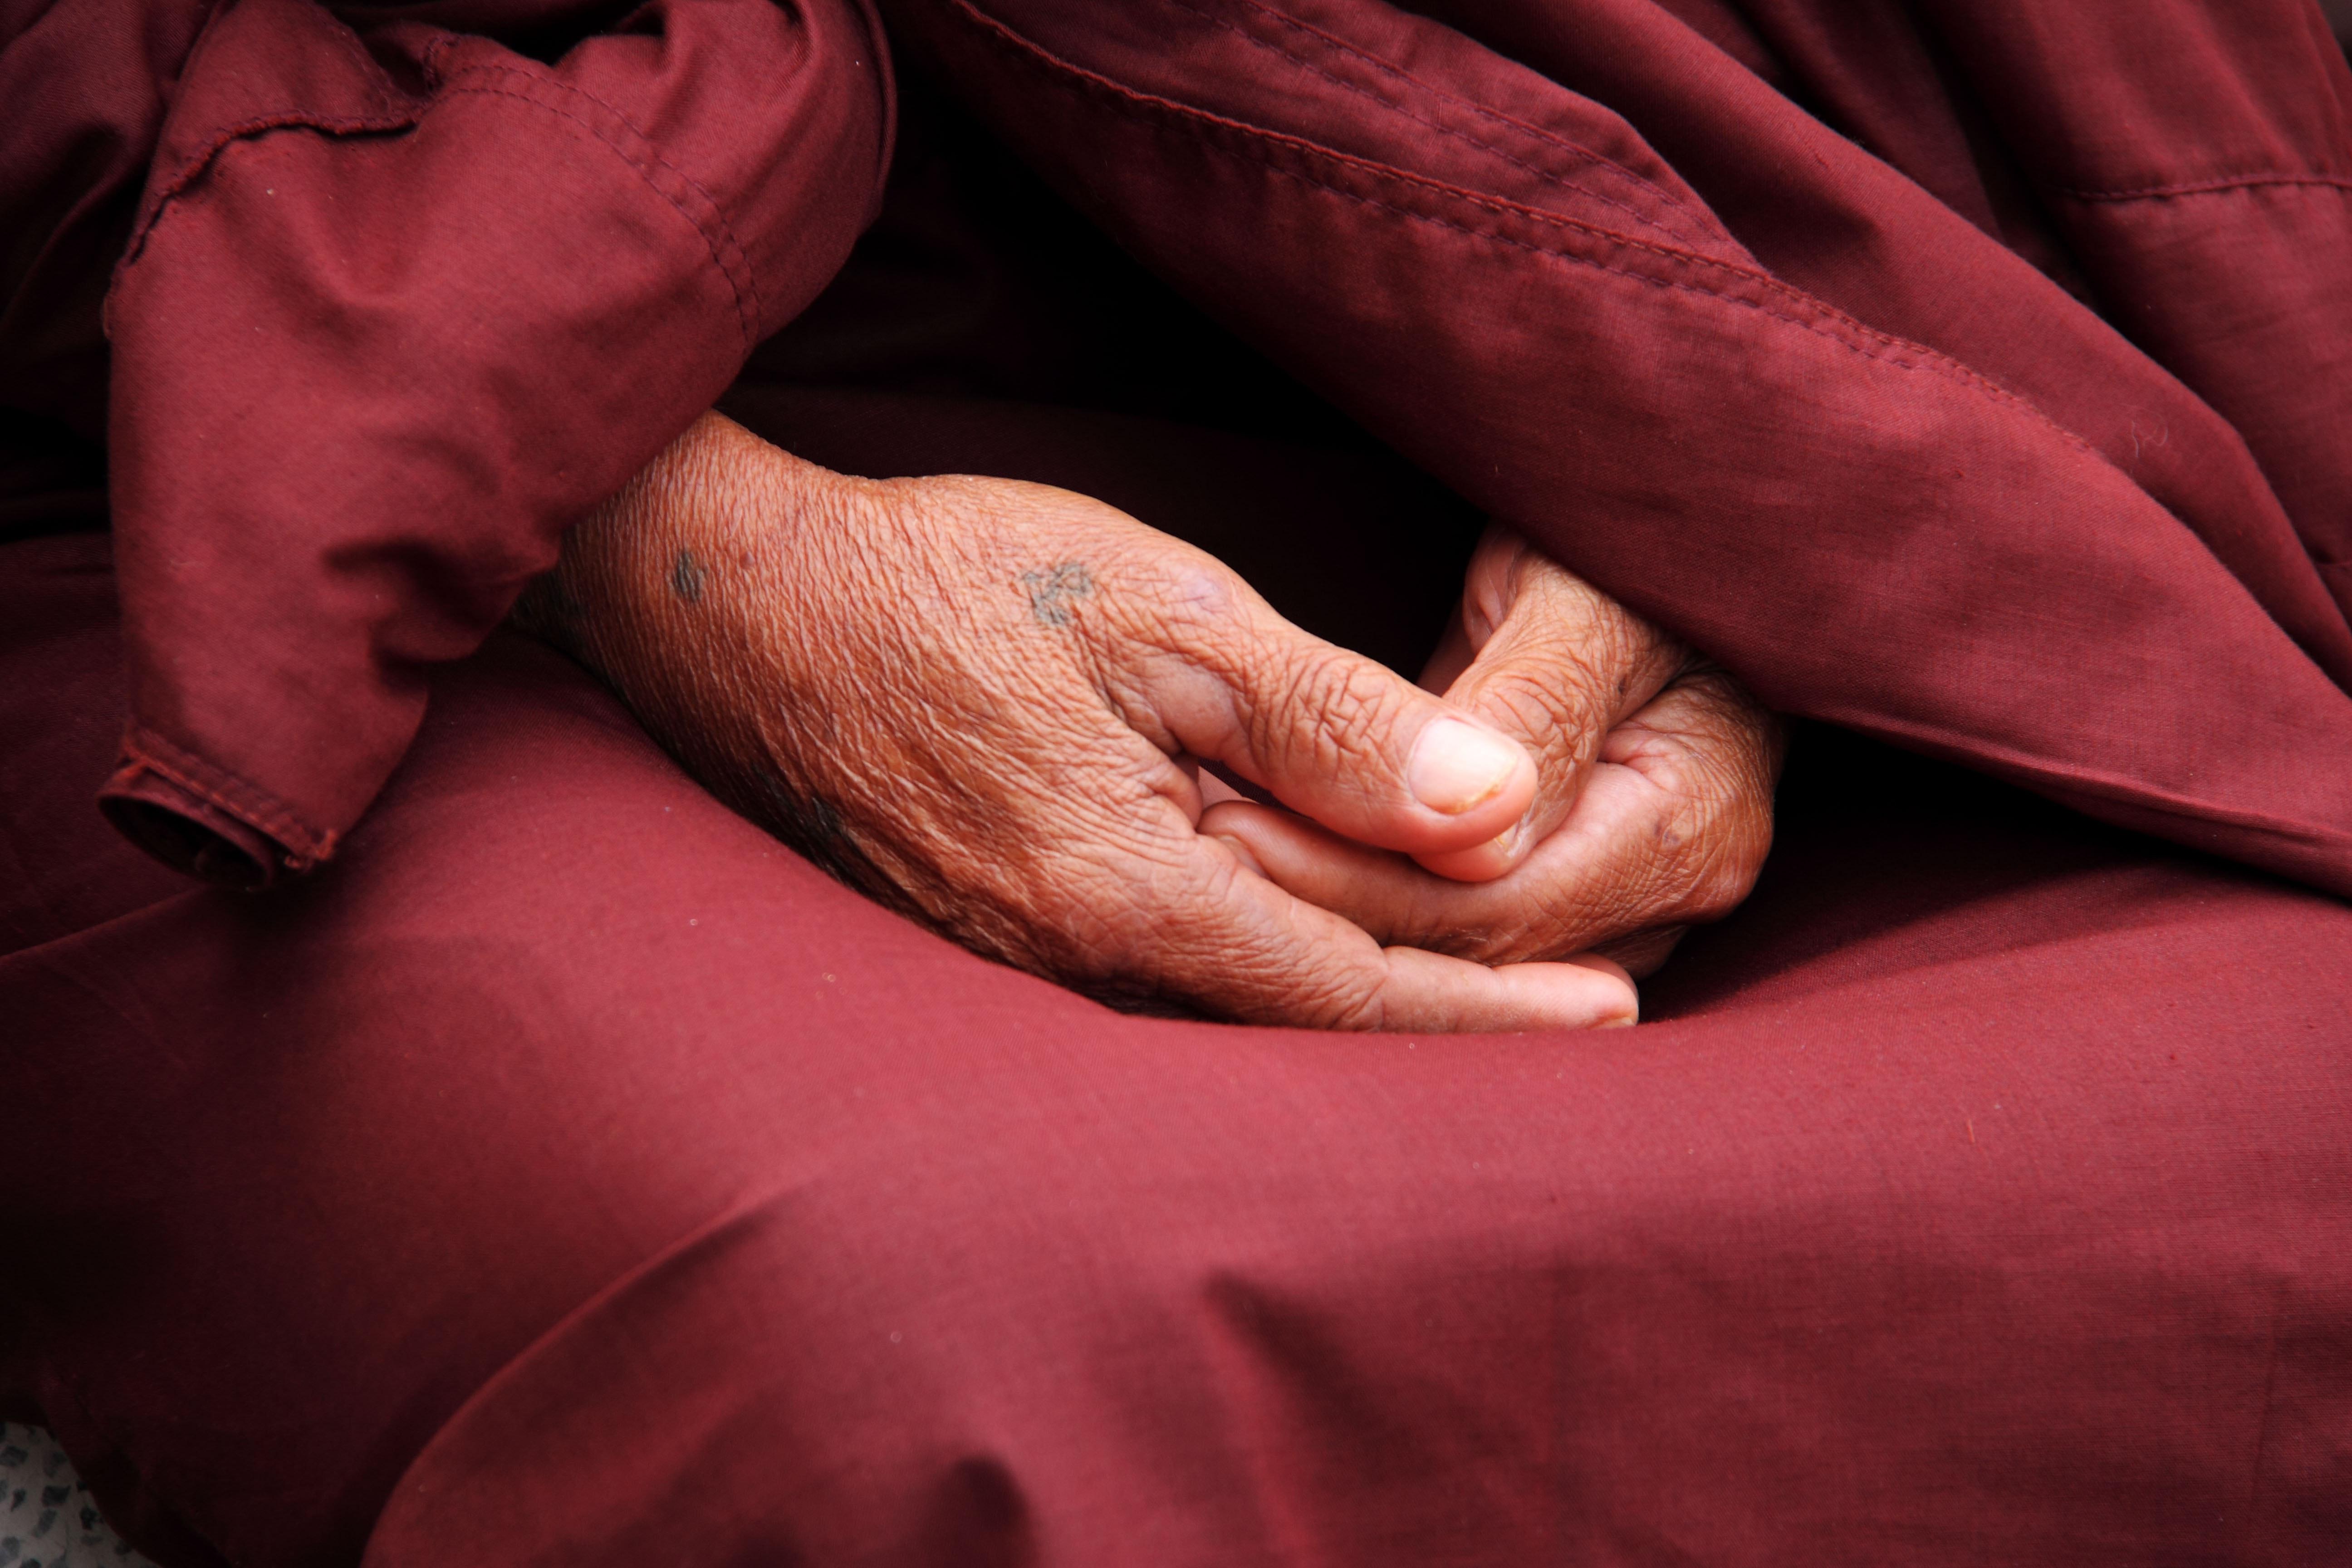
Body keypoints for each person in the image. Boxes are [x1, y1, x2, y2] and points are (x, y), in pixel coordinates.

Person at [3, 0, 2348, 1563]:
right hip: (364, 439)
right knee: (929, 1349)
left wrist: (1742, 477)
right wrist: (696, 558)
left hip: (1527, 290)